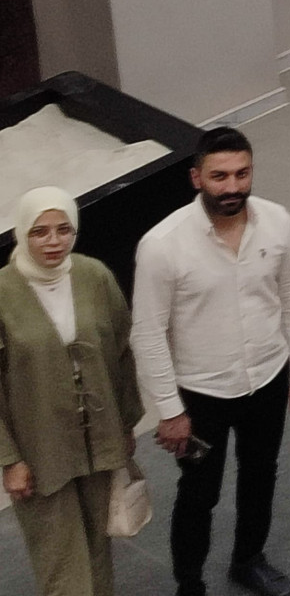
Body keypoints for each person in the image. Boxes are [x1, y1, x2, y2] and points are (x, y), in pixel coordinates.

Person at [132, 127, 290, 596]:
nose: (232, 186)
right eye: (219, 176)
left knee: (260, 475)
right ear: (196, 178)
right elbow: (147, 334)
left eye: (242, 173)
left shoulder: (278, 223)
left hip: (268, 378)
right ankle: (189, 584)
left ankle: (249, 560)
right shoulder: (162, 245)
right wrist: (170, 410)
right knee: (199, 494)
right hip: (201, 396)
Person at [1, 189, 142, 596]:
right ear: (22, 233)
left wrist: (126, 424)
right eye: (40, 232)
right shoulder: (2, 292)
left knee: (99, 547)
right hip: (39, 449)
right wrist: (9, 459)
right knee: (60, 560)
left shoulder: (93, 276)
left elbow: (121, 353)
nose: (53, 241)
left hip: (99, 438)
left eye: (64, 230)